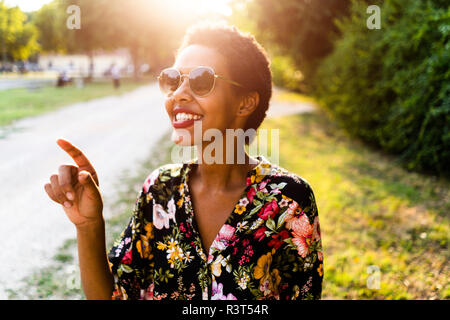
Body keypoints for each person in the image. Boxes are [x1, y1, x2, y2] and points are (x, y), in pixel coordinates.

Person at [44, 22, 323, 300]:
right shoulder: (160, 191)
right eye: (173, 80)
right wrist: (88, 225)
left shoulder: (290, 200)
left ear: (244, 103)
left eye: (202, 80)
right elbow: (111, 296)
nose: (178, 94)